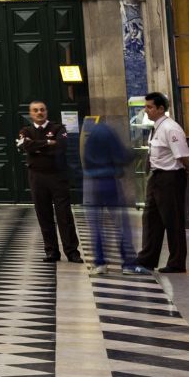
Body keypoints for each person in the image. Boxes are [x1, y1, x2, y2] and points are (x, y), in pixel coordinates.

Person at [133, 91, 189, 274]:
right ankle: (147, 258)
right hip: (157, 177)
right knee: (151, 219)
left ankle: (177, 262)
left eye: (150, 107)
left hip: (170, 177)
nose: (146, 110)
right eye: (146, 106)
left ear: (161, 108)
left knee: (172, 220)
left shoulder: (171, 128)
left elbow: (184, 156)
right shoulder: (156, 128)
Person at [19, 101, 81, 263]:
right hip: (37, 177)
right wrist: (47, 143)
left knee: (64, 215)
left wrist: (37, 148)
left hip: (57, 176)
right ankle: (51, 251)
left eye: (42, 110)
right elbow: (24, 146)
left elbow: (61, 146)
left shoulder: (58, 128)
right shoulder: (26, 130)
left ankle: (72, 251)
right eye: (35, 110)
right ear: (30, 113)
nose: (39, 113)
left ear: (46, 111)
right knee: (43, 214)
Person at [81, 103, 136, 276]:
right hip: (109, 181)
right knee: (120, 224)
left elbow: (84, 158)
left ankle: (100, 262)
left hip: (92, 182)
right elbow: (122, 156)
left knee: (96, 226)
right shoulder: (109, 132)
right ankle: (127, 263)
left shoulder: (90, 136)